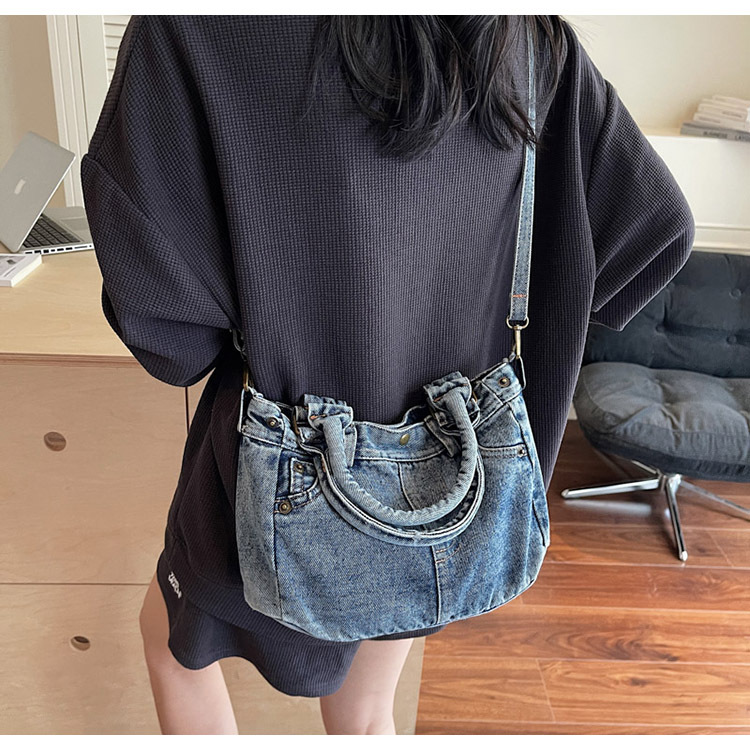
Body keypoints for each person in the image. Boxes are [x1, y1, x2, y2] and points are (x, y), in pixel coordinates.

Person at [80, 15, 695, 735]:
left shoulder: (194, 28)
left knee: (171, 648)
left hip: (267, 482)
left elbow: (169, 338)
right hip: (454, 482)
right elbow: (661, 227)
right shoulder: (521, 38)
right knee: (370, 709)